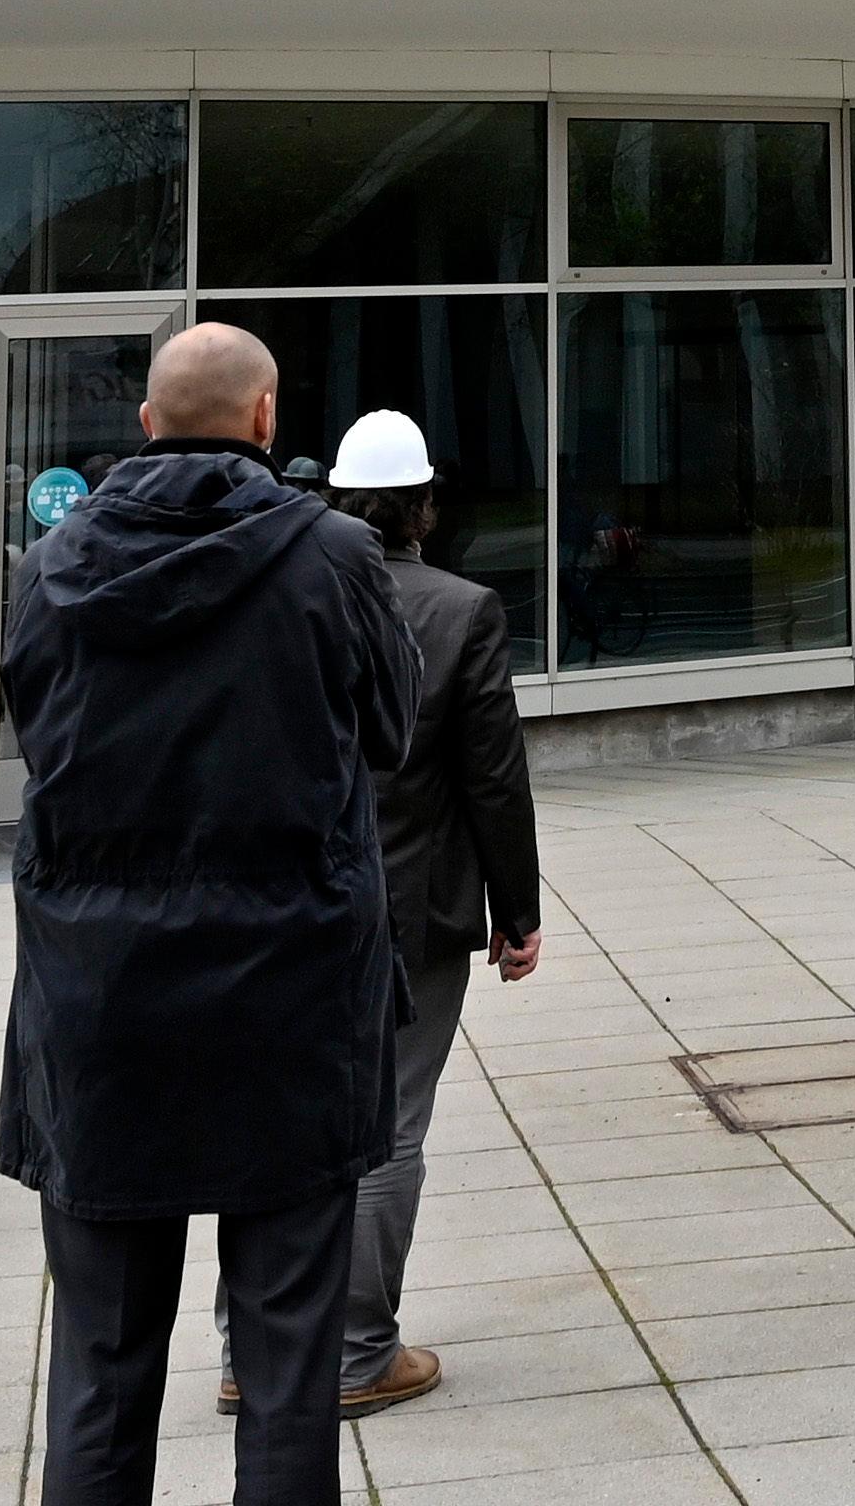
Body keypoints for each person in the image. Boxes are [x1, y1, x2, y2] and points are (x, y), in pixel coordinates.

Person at [0, 322, 415, 1506]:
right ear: (268, 418)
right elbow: (389, 728)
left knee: (100, 1364)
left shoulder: (50, 564)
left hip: (99, 999)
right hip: (290, 997)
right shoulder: (334, 553)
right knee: (288, 1363)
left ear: (146, 423)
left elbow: (38, 736)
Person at [332, 408, 541, 1417]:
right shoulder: (462, 609)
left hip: (287, 906)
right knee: (389, 1126)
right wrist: (518, 910)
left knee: (287, 1124)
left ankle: (252, 1347)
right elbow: (492, 777)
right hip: (412, 907)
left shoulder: (288, 596)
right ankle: (357, 1352)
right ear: (423, 505)